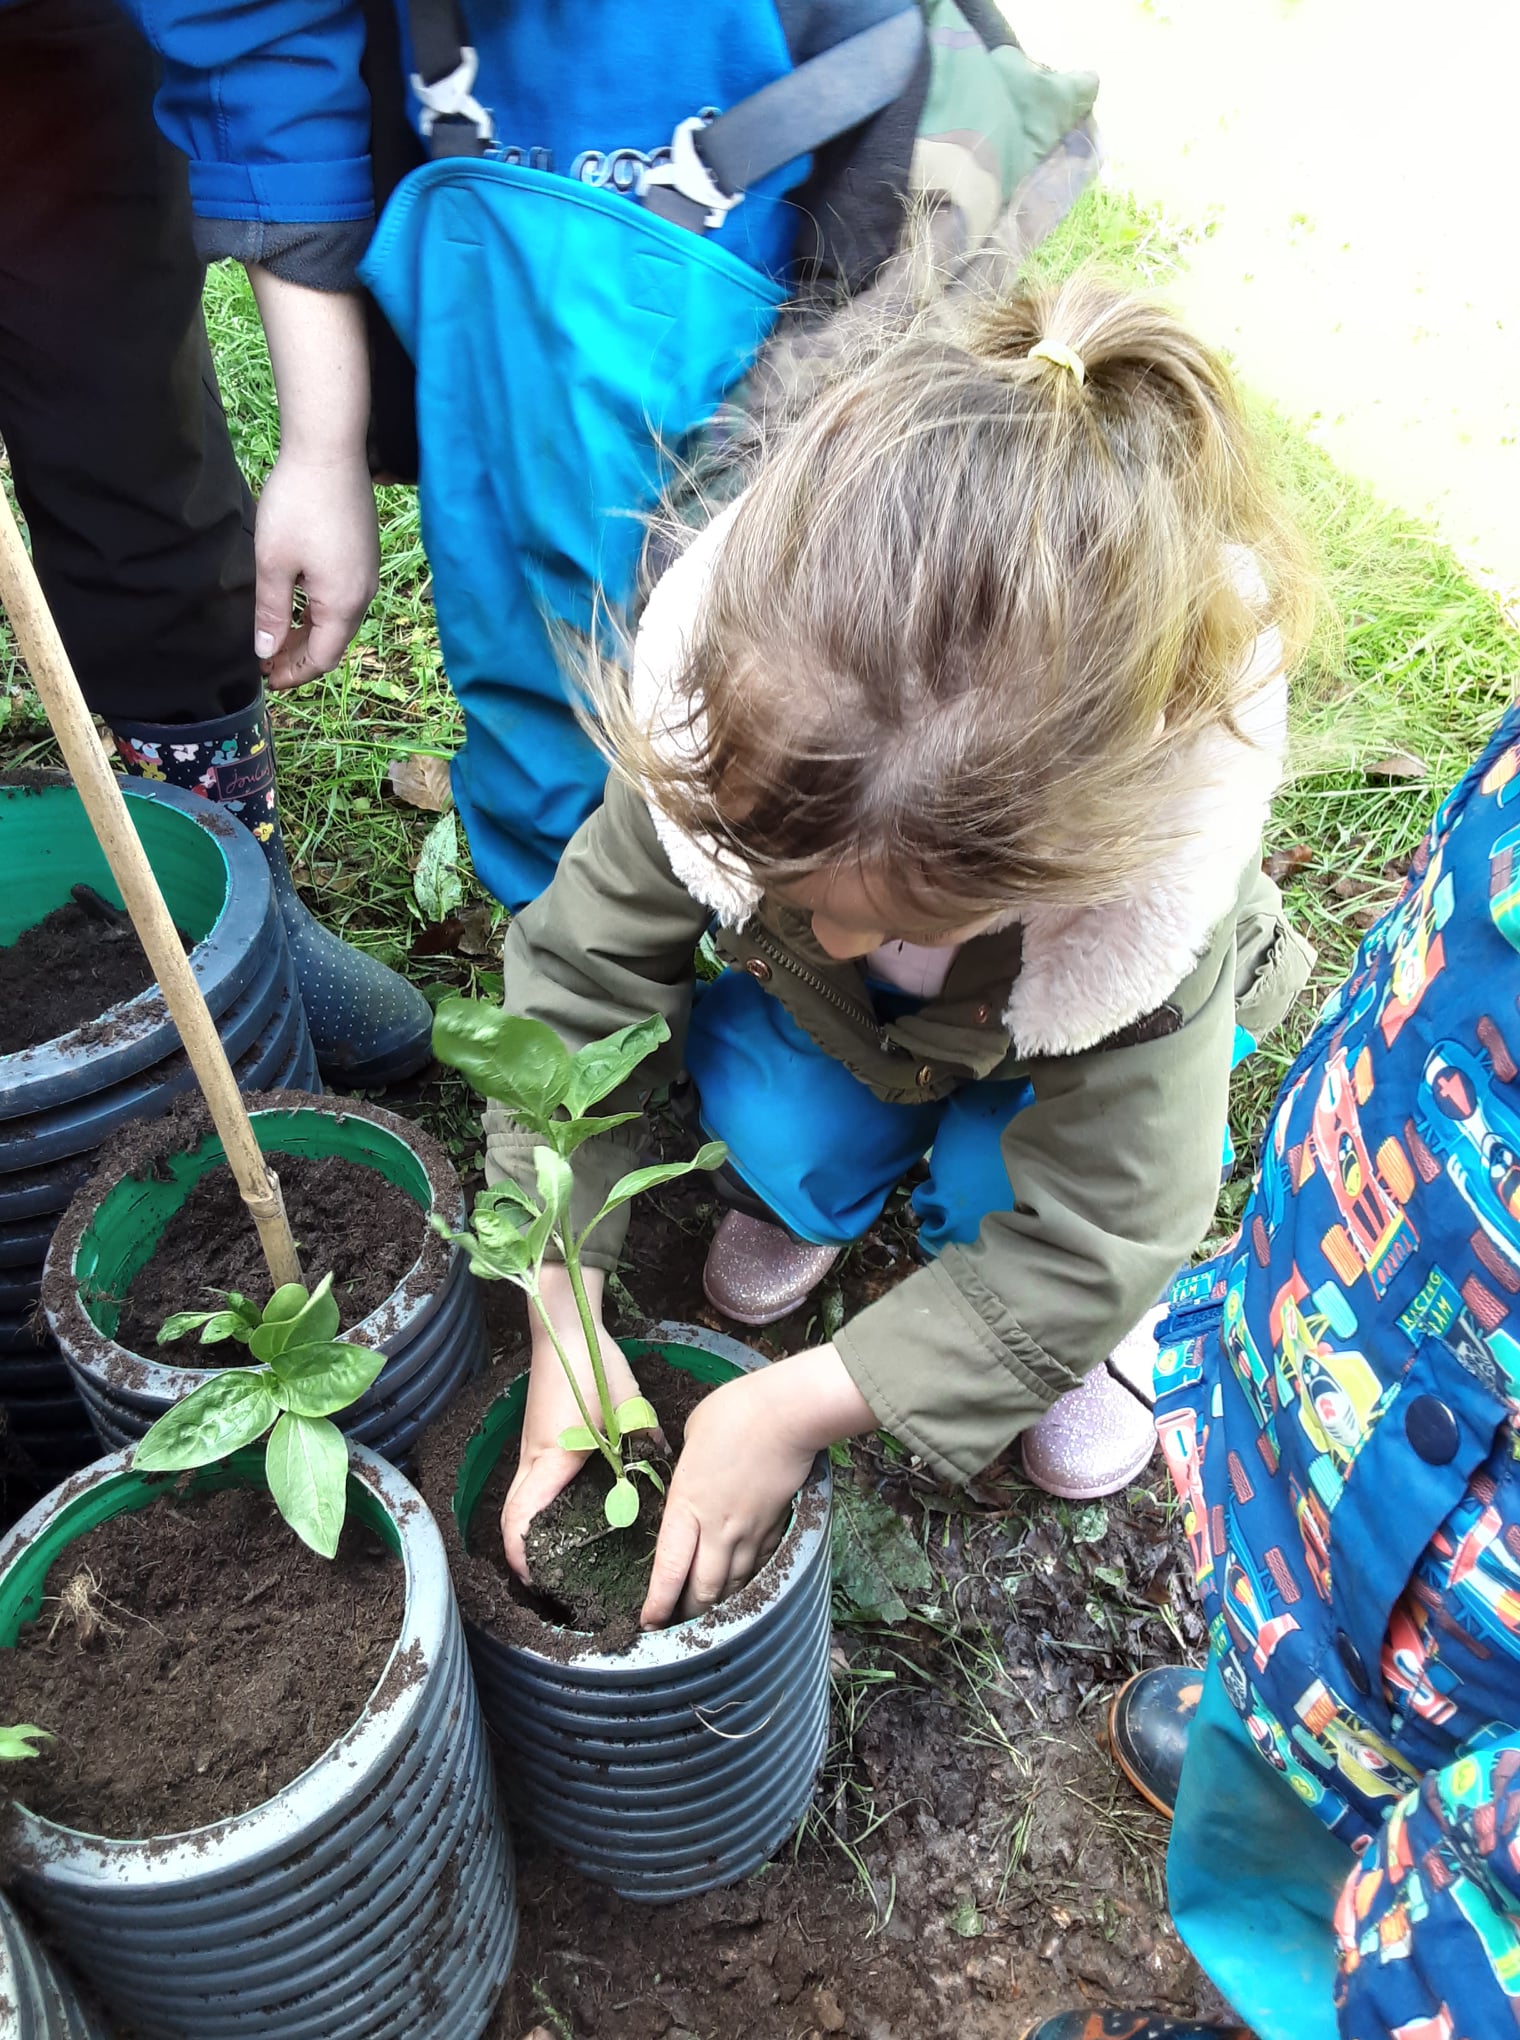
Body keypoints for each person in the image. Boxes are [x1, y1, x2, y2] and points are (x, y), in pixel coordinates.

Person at [481, 272, 1316, 1617]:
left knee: (1015, 1203)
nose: (826, 927)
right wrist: (558, 1296)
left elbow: (1109, 1216)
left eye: (896, 914)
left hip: (1051, 1050)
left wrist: (804, 1404)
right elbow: (580, 984)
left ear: (1064, 861)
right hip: (855, 1028)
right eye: (782, 880)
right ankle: (829, 1186)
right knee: (777, 1126)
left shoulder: (1142, 894)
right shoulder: (745, 714)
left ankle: (1081, 1339)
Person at [110, 0, 1102, 913]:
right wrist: (323, 449)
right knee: (521, 701)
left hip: (757, 445)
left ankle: (793, 962)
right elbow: (265, 63)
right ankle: (560, 956)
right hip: (501, 435)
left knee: (785, 752)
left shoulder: (830, 28)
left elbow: (897, 281)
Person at [1028, 713, 1520, 2040]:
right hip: (1348, 1373)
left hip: (1487, 1714)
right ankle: (1296, 1779)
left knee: (1433, 1954)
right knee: (1283, 1698)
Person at [0, 0, 433, 1087]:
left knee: (129, 438)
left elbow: (259, 31)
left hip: (45, 51)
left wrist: (322, 448)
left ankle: (230, 897)